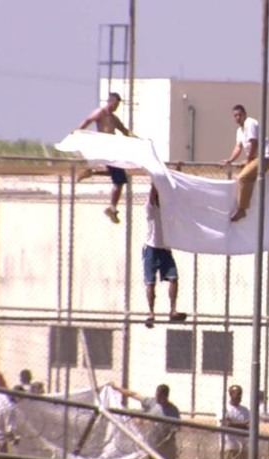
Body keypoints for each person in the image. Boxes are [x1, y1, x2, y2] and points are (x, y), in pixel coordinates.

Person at [76, 92, 133, 224]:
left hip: (111, 149)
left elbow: (124, 130)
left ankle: (92, 172)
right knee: (120, 179)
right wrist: (77, 132)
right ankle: (112, 208)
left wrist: (136, 139)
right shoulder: (100, 113)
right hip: (105, 149)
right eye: (115, 104)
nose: (116, 107)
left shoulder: (114, 118)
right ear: (110, 102)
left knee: (117, 175)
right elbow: (87, 121)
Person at [143, 184, 186, 329]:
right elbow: (151, 195)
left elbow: (176, 193)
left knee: (173, 278)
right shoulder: (151, 209)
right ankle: (151, 313)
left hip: (165, 249)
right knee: (150, 282)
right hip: (151, 248)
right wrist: (156, 181)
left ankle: (173, 310)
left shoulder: (168, 212)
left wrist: (177, 173)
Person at [222, 104, 269, 222]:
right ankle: (243, 204)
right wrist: (231, 159)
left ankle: (242, 210)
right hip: (256, 158)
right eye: (235, 116)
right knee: (245, 177)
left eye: (240, 115)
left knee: (243, 178)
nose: (238, 117)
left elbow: (254, 143)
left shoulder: (249, 123)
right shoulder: (239, 131)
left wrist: (248, 159)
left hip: (264, 157)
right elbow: (238, 147)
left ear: (245, 114)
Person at [109, 382, 181, 459]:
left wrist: (164, 442)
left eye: (159, 396)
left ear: (165, 396)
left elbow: (173, 432)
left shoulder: (173, 411)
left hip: (165, 447)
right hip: (152, 444)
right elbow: (134, 394)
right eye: (156, 395)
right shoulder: (153, 402)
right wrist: (117, 388)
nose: (157, 398)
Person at [217, 385, 250, 459]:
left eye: (240, 393)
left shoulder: (245, 410)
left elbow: (248, 426)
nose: (239, 396)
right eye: (236, 393)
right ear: (231, 394)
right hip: (228, 445)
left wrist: (233, 423)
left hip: (242, 446)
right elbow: (226, 423)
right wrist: (242, 424)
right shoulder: (224, 408)